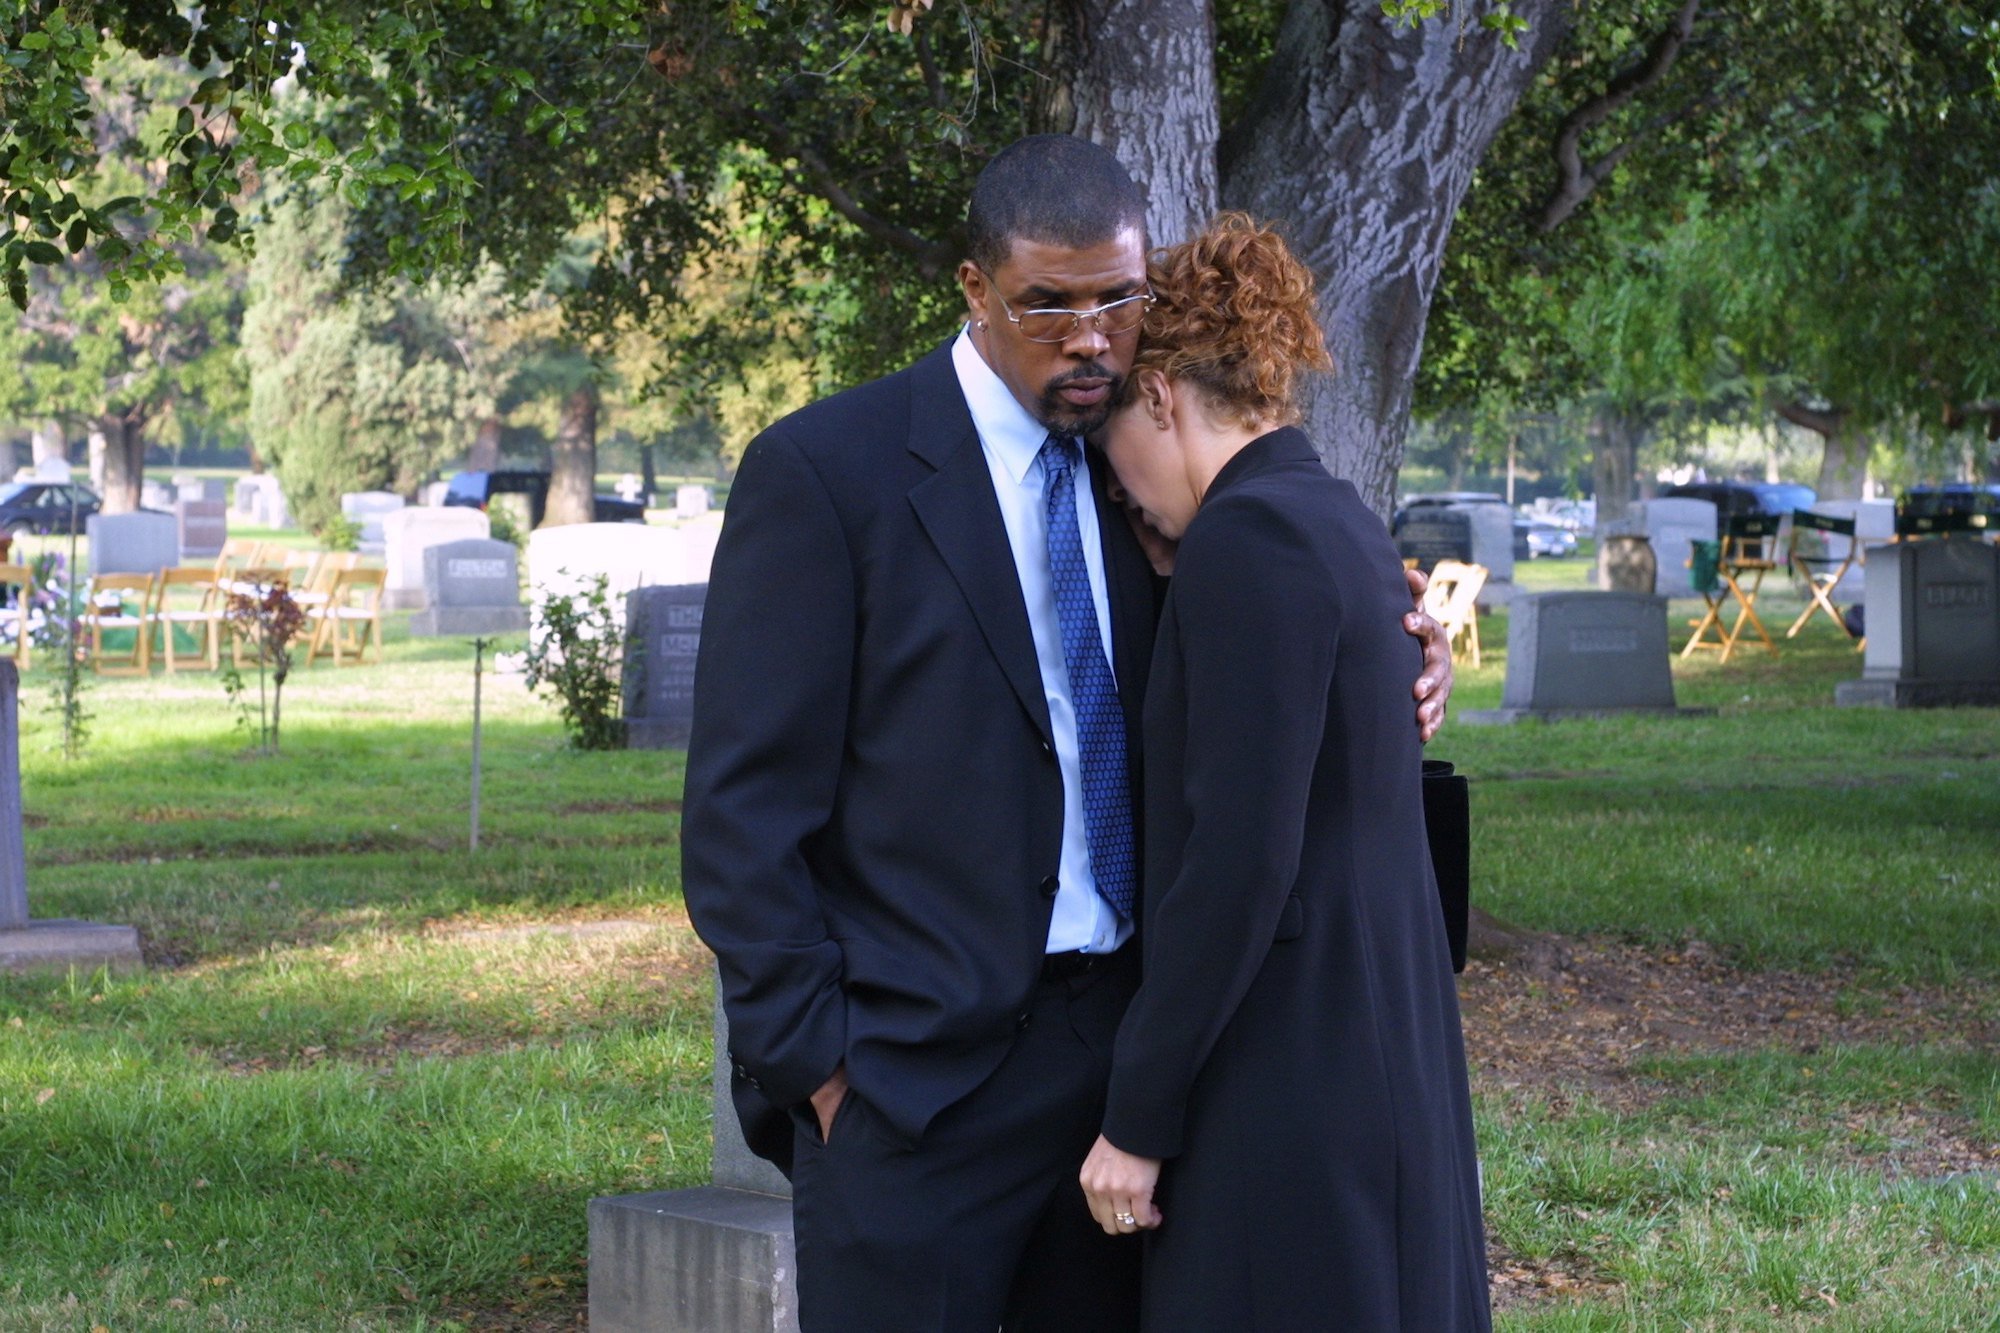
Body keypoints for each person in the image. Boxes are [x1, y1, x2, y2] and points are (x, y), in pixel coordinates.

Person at [682, 137, 1455, 1331]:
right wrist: (822, 1071)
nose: (1089, 336)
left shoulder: (1143, 471)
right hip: (908, 1083)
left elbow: (1277, 626)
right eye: (1049, 304)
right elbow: (741, 818)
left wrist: (1407, 644)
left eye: (1116, 301)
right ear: (976, 290)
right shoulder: (825, 474)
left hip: (1123, 1081)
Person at [1077, 213, 1491, 1330]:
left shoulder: (1245, 540)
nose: (1125, 503)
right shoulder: (1337, 520)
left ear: (1157, 397)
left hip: (1293, 1065)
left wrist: (1137, 1117)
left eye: (1117, 471)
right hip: (1375, 1033)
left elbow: (1237, 859)